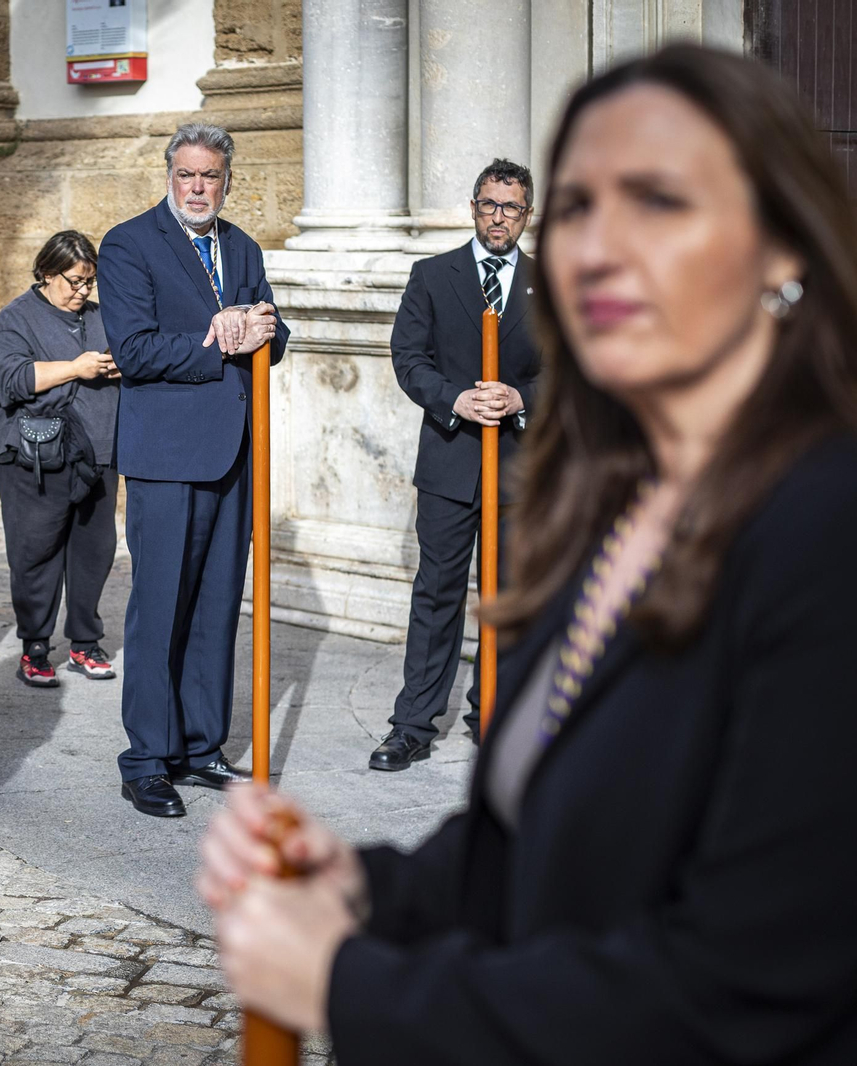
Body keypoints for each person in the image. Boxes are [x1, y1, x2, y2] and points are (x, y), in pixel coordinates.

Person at [198, 45, 857, 1061]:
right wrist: (368, 886)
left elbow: (735, 990)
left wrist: (351, 985)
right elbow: (532, 837)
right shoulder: (610, 509)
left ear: (778, 247)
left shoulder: (823, 528)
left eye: (658, 200)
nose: (598, 245)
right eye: (581, 206)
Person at [98, 123, 288, 818]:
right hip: (166, 456)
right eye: (186, 175)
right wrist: (218, 341)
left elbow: (274, 326)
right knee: (159, 608)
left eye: (210, 176)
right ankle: (146, 759)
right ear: (168, 175)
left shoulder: (241, 246)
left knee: (215, 606)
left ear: (227, 178)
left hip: (233, 451)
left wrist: (264, 328)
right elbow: (137, 349)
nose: (198, 187)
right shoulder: (128, 244)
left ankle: (202, 746)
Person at [373, 160, 543, 771]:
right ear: (474, 207)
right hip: (450, 463)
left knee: (509, 597)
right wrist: (456, 398)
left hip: (520, 470)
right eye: (490, 204)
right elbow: (408, 356)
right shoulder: (432, 275)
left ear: (527, 215)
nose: (500, 217)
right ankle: (412, 725)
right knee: (438, 593)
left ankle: (497, 714)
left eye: (513, 208)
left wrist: (522, 399)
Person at [0, 230, 121, 687]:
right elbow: (5, 377)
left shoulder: (102, 317)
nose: (83, 291)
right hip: (34, 457)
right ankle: (35, 647)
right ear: (46, 272)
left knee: (94, 552)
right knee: (35, 553)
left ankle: (85, 642)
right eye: (74, 281)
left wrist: (122, 363)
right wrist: (76, 368)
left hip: (98, 451)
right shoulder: (16, 318)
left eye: (89, 282)